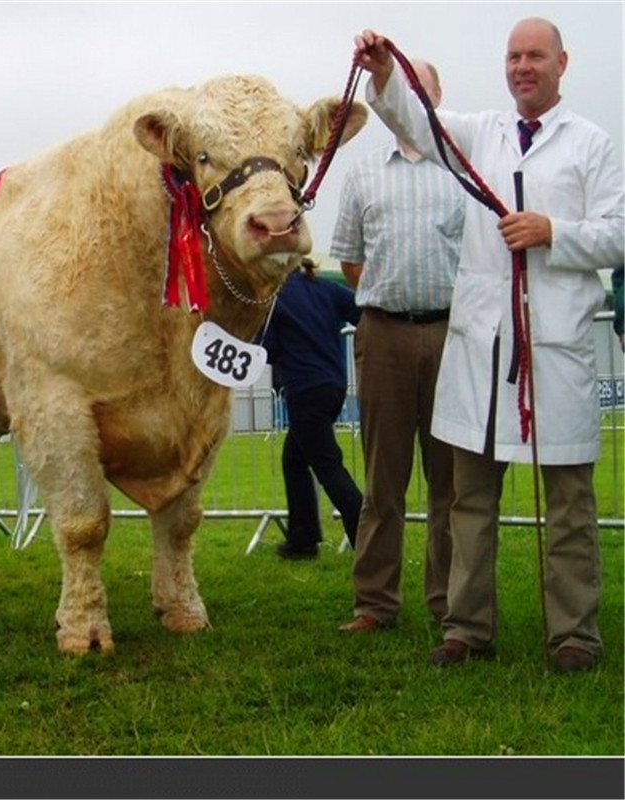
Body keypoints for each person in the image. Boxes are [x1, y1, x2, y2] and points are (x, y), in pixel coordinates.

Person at [354, 18, 625, 672]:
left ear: (563, 62)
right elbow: (419, 124)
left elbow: (617, 234)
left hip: (554, 348)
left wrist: (552, 231)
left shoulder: (592, 145)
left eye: (535, 56)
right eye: (513, 56)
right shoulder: (480, 134)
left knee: (567, 503)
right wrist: (385, 74)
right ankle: (467, 628)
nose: (522, 66)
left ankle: (573, 637)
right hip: (482, 350)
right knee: (470, 498)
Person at [330, 60, 464, 632]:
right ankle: (376, 605)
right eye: (401, 90)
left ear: (438, 95)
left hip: (453, 335)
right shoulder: (362, 174)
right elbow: (350, 259)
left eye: (420, 89)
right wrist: (394, 300)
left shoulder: (461, 170)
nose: (411, 99)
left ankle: (450, 601)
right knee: (383, 480)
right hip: (382, 335)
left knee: (450, 481)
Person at [262, 258, 363, 560]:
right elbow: (362, 311)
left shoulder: (274, 300)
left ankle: (368, 540)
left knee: (328, 466)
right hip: (333, 386)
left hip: (304, 389)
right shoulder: (327, 289)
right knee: (294, 459)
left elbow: (265, 348)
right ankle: (302, 538)